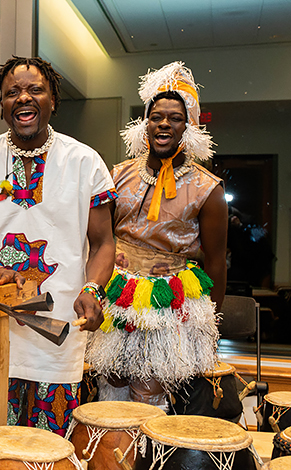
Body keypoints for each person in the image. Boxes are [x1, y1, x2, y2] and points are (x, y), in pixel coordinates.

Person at [0, 56, 116, 436]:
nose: (23, 98)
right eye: (12, 92)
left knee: (49, 450)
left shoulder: (85, 162)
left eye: (35, 89)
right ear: (1, 106)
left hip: (57, 337)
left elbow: (103, 242)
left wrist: (91, 288)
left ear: (53, 99)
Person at [86, 62, 227, 409]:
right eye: (157, 116)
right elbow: (97, 241)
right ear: (145, 124)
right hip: (117, 292)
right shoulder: (117, 175)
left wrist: (210, 328)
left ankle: (146, 460)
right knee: (110, 385)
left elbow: (216, 263)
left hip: (169, 301)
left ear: (189, 127)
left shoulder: (207, 189)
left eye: (175, 118)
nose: (164, 123)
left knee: (148, 395)